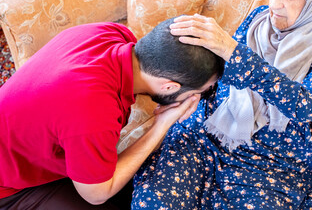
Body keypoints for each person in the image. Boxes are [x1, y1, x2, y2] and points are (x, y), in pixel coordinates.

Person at [131, 0, 312, 209]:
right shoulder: (259, 17)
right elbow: (225, 74)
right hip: (209, 131)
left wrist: (233, 51)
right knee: (153, 203)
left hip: (272, 161)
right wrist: (187, 95)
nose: (275, 2)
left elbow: (306, 106)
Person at [0, 17, 225, 209]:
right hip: (7, 187)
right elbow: (96, 194)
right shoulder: (92, 111)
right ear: (169, 87)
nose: (199, 97)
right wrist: (161, 124)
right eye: (201, 92)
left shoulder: (111, 33)